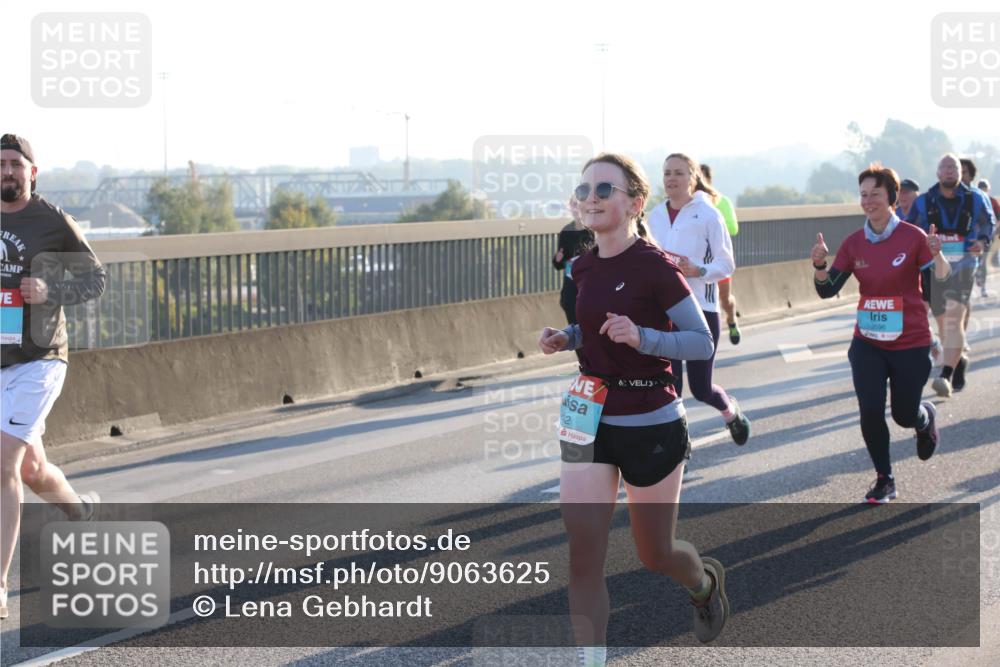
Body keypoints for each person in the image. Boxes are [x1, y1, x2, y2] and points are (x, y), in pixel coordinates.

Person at [538, 152, 728, 664]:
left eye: (605, 190)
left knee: (655, 554)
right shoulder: (582, 266)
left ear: (635, 203)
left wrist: (644, 337)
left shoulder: (655, 265)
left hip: (651, 421)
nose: (591, 198)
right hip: (588, 416)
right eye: (584, 190)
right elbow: (595, 326)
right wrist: (567, 337)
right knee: (583, 551)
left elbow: (701, 342)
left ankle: (703, 584)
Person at [1, 134, 106, 619]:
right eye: (1, 164)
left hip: (39, 360)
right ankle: (81, 513)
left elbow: (95, 279)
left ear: (32, 172)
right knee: (31, 470)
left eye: (15, 164)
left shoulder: (52, 220)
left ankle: (0, 586)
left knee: (3, 465)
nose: (7, 172)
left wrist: (49, 289)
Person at [812, 163, 949, 503]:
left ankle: (924, 419)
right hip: (868, 342)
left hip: (910, 341)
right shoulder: (854, 243)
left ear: (892, 197)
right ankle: (884, 479)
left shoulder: (914, 237)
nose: (868, 201)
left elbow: (940, 283)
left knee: (903, 414)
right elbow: (828, 290)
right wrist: (819, 266)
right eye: (863, 195)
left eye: (875, 194)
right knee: (871, 411)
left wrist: (938, 255)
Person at [646, 154, 750, 446]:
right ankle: (680, 450)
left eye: (679, 173)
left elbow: (727, 264)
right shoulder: (655, 216)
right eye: (667, 173)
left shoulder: (708, 214)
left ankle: (731, 412)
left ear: (692, 177)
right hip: (665, 312)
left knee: (701, 388)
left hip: (701, 309)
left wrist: (698, 270)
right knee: (672, 388)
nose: (671, 179)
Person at [905, 153, 995, 396]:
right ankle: (959, 357)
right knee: (944, 324)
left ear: (959, 172)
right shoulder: (924, 201)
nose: (949, 171)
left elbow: (989, 222)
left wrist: (982, 241)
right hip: (935, 267)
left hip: (965, 264)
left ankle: (945, 374)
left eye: (953, 167)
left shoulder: (976, 198)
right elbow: (909, 229)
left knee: (955, 316)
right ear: (937, 172)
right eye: (944, 167)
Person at [699, 164, 741, 344]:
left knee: (724, 299)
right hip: (698, 263)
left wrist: (714, 224)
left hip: (718, 260)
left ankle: (731, 319)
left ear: (708, 179)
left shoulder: (722, 202)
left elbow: (733, 228)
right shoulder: (688, 204)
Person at [552, 196, 594, 325]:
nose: (576, 208)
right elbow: (559, 264)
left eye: (578, 204)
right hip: (571, 285)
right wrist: (558, 259)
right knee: (572, 317)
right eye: (573, 205)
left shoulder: (593, 229)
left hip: (589, 284)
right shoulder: (566, 231)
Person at [975, 178, 1000, 297]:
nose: (983, 192)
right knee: (976, 260)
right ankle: (976, 275)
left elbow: (999, 219)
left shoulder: (993, 201)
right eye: (981, 189)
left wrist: (994, 229)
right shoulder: (974, 200)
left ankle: (983, 287)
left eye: (985, 189)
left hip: (988, 236)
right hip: (974, 236)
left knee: (983, 260)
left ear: (988, 189)